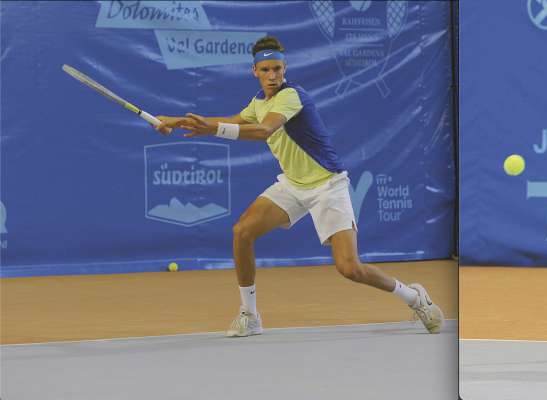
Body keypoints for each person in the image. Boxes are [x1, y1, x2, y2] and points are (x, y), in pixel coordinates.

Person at [155, 36, 444, 337]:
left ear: (285, 68)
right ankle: (250, 314)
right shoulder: (258, 102)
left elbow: (263, 130)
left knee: (350, 268)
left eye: (277, 69)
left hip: (327, 186)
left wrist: (211, 129)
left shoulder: (292, 95)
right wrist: (174, 121)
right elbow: (232, 120)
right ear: (254, 70)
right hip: (293, 185)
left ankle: (413, 297)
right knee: (242, 232)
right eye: (265, 69)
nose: (272, 75)